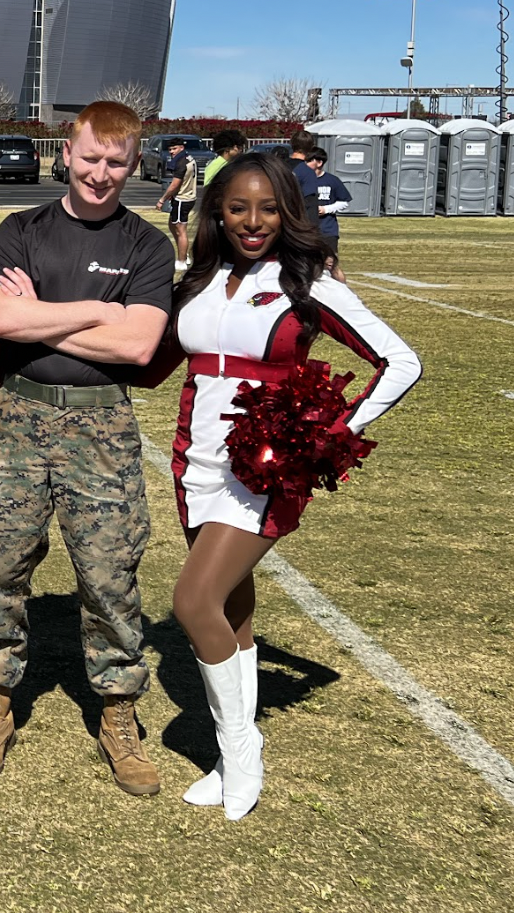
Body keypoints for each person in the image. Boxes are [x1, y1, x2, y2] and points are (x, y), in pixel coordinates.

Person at [144, 151, 419, 819]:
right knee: (232, 609)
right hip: (193, 462)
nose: (253, 220)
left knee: (193, 600)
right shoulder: (199, 278)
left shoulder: (307, 282)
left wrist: (327, 435)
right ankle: (231, 754)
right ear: (216, 211)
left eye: (269, 208)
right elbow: (150, 365)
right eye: (237, 207)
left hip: (260, 472)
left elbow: (398, 362)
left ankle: (242, 754)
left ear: (289, 212)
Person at [0, 101, 174, 789]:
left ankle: (118, 711)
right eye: (91, 157)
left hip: (102, 424)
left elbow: (139, 344)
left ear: (134, 163)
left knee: (109, 575)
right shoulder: (23, 229)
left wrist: (40, 320)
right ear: (67, 151)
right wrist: (95, 310)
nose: (102, 173)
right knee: (2, 566)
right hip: (18, 420)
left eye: (117, 161)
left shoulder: (146, 245)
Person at [300, 147, 353, 257]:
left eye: (309, 161)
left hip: (327, 230)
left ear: (319, 163)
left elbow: (344, 202)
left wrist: (326, 209)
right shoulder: (301, 180)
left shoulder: (332, 180)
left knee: (330, 262)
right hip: (306, 230)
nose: (305, 164)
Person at [156, 137, 199, 270]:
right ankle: (183, 253)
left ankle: (181, 261)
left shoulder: (181, 162)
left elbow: (174, 184)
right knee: (172, 225)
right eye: (170, 149)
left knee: (181, 231)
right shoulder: (188, 158)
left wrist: (162, 199)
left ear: (182, 147)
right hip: (186, 197)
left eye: (174, 149)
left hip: (183, 199)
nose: (172, 152)